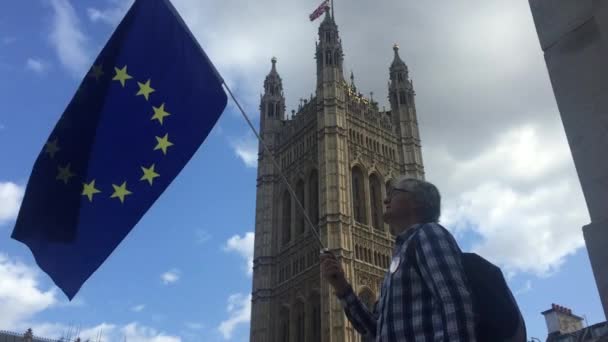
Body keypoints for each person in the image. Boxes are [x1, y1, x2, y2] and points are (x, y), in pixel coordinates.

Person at [320, 177, 477, 341]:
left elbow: (454, 301)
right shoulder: (399, 259)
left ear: (417, 202)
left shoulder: (429, 234)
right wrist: (342, 286)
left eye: (393, 193)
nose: (386, 199)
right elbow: (374, 330)